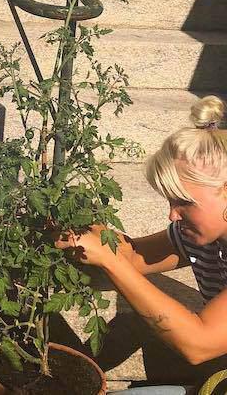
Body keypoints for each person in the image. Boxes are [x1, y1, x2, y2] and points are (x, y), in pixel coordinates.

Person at [57, 95, 227, 394]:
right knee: (135, 326)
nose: (172, 215)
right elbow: (136, 256)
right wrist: (84, 232)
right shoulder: (203, 237)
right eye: (170, 201)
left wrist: (110, 261)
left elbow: (198, 343)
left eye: (183, 202)